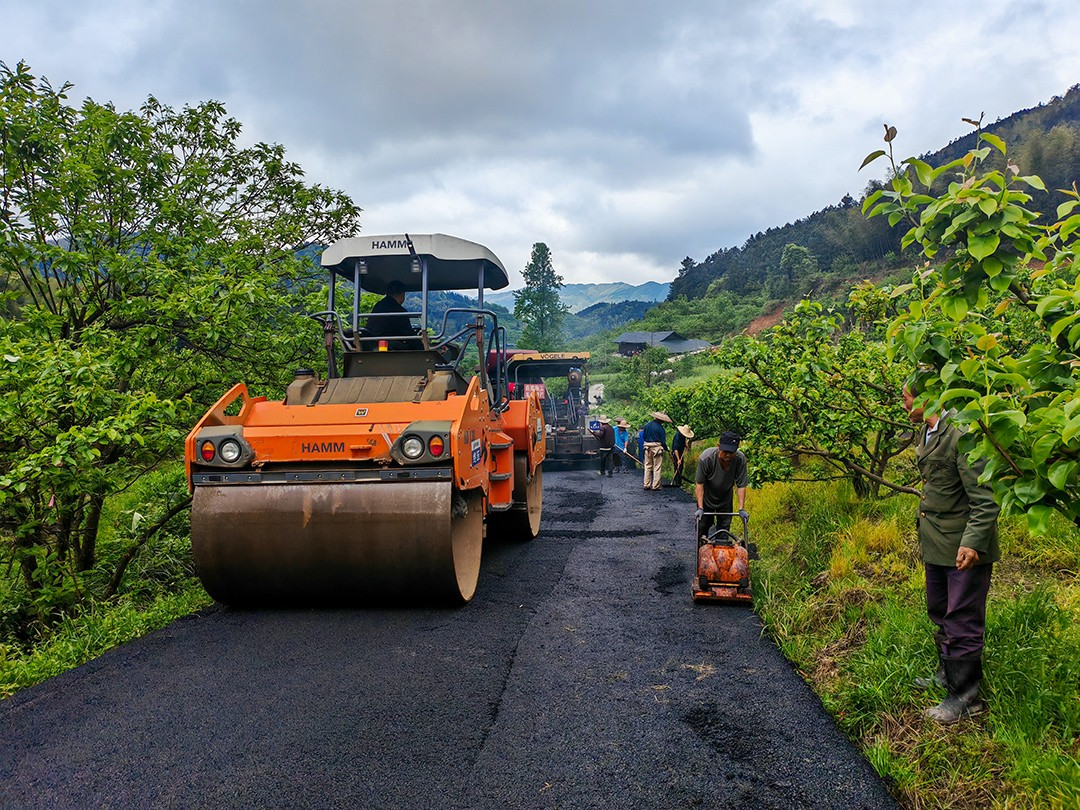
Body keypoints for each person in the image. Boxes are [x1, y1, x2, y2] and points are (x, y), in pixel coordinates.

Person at [902, 385, 1000, 724]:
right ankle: (947, 675)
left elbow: (986, 499)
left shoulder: (961, 433)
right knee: (940, 610)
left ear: (926, 398)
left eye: (906, 398)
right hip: (937, 542)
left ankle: (966, 698)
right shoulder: (929, 432)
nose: (903, 405)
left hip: (962, 547)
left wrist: (972, 543)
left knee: (962, 618)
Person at [694, 431, 749, 540]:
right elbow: (699, 484)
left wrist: (741, 508)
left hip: (725, 498)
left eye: (731, 452)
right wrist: (700, 507)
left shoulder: (739, 459)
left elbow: (741, 485)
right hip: (707, 499)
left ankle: (721, 549)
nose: (728, 455)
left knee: (724, 530)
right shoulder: (707, 458)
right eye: (725, 451)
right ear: (718, 446)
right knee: (702, 527)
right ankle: (701, 547)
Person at [367, 280, 417, 348]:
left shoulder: (378, 306)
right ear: (402, 293)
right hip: (388, 344)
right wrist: (421, 347)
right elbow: (408, 334)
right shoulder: (399, 311)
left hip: (371, 343)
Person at [642, 411, 671, 490]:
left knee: (647, 466)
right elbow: (662, 441)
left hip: (647, 447)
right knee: (657, 467)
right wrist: (666, 448)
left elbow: (644, 437)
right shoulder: (661, 428)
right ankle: (655, 485)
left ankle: (646, 484)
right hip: (657, 448)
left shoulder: (647, 425)